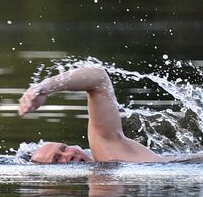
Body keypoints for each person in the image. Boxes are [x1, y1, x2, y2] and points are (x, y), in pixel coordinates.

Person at [17, 62, 161, 164]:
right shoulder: (103, 178)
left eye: (64, 148)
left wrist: (45, 87)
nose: (69, 155)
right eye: (56, 160)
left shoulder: (108, 153)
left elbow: (99, 78)